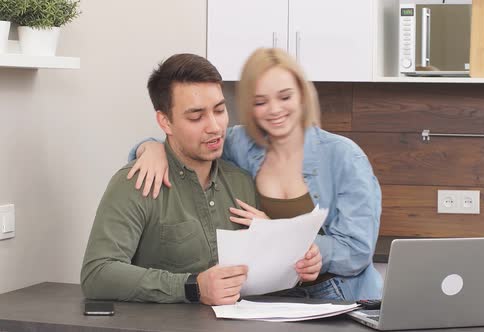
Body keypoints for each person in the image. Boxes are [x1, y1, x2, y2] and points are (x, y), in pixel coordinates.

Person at [128, 48, 383, 301]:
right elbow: (187, 145)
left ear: (303, 96)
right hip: (268, 298)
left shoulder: (345, 157)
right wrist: (149, 148)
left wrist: (280, 235)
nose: (274, 110)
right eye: (261, 102)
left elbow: (357, 252)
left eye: (285, 97)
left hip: (340, 296)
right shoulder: (240, 144)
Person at [80, 53, 321, 305]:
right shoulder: (135, 183)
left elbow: (261, 274)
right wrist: (192, 287)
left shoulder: (242, 182)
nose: (215, 127)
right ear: (165, 121)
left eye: (219, 110)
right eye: (196, 117)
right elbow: (98, 274)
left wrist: (296, 263)